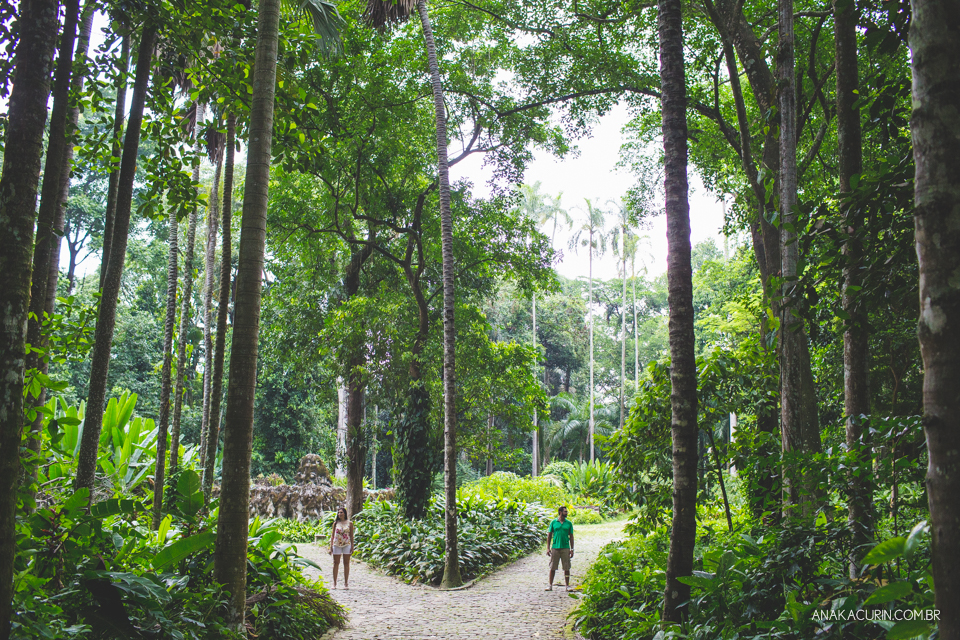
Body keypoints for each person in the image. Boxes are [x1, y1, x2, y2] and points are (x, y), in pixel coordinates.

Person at [545, 505, 574, 591]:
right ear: (560, 512)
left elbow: (571, 536)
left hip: (565, 547)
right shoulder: (553, 522)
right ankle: (550, 585)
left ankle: (567, 585)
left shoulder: (569, 523)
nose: (567, 513)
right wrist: (548, 548)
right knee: (553, 567)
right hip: (555, 547)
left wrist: (572, 549)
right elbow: (549, 535)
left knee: (566, 567)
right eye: (565, 511)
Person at [328, 507, 355, 589]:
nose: (339, 514)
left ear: (345, 513)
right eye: (338, 513)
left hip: (347, 544)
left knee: (346, 563)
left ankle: (346, 583)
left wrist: (352, 546)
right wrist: (330, 546)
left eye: (341, 512)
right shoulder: (335, 523)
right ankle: (334, 583)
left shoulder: (349, 523)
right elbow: (332, 535)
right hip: (336, 544)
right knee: (336, 563)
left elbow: (351, 536)